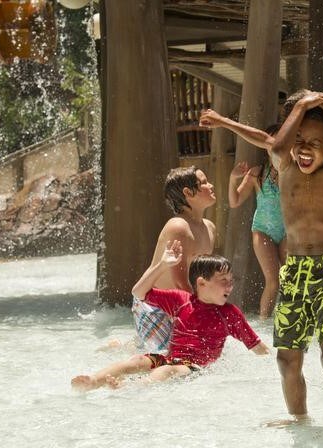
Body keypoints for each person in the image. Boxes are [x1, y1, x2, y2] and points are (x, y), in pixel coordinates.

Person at [266, 54, 323, 429]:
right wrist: (303, 105)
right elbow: (276, 148)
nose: (305, 149)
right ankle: (299, 420)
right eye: (301, 140)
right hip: (294, 274)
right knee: (287, 359)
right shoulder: (285, 166)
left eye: (316, 142)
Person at [72, 241, 269, 391]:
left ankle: (129, 388)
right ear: (202, 283)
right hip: (169, 358)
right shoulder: (181, 300)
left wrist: (277, 363)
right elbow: (138, 293)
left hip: (195, 367)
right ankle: (93, 381)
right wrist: (162, 265)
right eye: (223, 281)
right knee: (137, 361)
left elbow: (256, 346)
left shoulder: (230, 314)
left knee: (167, 371)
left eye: (230, 281)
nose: (230, 286)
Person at [197, 112, 286, 320]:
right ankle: (264, 323)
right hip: (263, 229)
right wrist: (232, 179)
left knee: (290, 276)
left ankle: (287, 319)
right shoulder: (257, 172)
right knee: (273, 280)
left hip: (288, 230)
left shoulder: (291, 170)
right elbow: (235, 201)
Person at [134, 166, 217, 354]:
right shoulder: (178, 227)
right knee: (165, 359)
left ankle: (126, 345)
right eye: (203, 183)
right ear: (188, 192)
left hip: (183, 304)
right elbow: (180, 282)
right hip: (156, 306)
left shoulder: (210, 227)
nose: (210, 185)